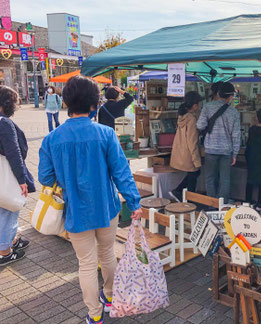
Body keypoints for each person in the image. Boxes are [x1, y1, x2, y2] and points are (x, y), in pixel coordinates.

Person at [38, 76, 143, 324]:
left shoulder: (52, 139)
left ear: (65, 103)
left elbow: (44, 176)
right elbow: (122, 172)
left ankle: (94, 315)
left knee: (86, 264)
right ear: (95, 104)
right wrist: (135, 203)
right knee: (107, 255)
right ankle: (109, 297)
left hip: (76, 210)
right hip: (107, 208)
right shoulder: (106, 134)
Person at [0, 86, 33, 266]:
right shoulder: (4, 123)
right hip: (6, 174)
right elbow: (14, 153)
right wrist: (22, 180)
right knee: (9, 209)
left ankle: (11, 240)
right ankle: (5, 252)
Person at [197, 82, 240, 203]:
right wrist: (235, 154)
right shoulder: (233, 112)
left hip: (210, 149)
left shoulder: (207, 107)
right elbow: (236, 135)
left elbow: (200, 125)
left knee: (210, 178)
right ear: (230, 96)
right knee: (224, 179)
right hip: (226, 151)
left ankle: (212, 205)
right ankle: (222, 206)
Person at [169, 91, 203, 201]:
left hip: (182, 153)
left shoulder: (182, 116)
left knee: (193, 175)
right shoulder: (192, 119)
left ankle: (180, 193)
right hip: (189, 153)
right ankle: (186, 199)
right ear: (194, 106)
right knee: (194, 175)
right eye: (199, 104)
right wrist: (196, 160)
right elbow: (192, 141)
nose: (199, 107)